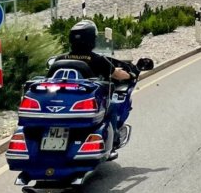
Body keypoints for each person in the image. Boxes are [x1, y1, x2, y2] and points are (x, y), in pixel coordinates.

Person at [54, 20, 138, 154]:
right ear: (91, 40)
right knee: (112, 106)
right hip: (85, 100)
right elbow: (117, 75)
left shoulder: (60, 60)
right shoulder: (97, 60)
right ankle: (114, 139)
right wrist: (130, 75)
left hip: (61, 103)